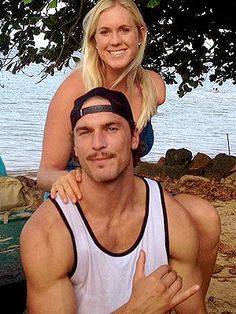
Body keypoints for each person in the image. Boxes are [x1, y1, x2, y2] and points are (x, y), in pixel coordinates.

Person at [37, 0, 220, 296]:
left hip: (126, 192)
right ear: (94, 41)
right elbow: (44, 172)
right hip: (79, 192)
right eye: (105, 32)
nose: (116, 40)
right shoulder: (75, 89)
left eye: (124, 30)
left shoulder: (152, 88)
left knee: (206, 219)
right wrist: (62, 180)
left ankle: (188, 302)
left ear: (140, 35)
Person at [21, 88, 207, 313]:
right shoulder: (47, 233)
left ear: (134, 137)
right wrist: (134, 310)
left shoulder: (171, 217)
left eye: (111, 128)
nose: (98, 143)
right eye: (85, 132)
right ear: (75, 149)